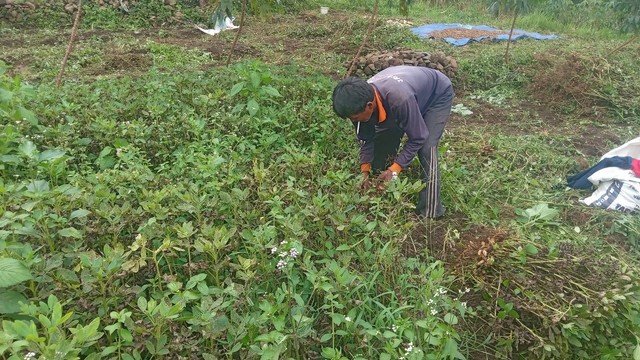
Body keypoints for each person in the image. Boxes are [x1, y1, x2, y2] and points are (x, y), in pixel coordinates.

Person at [332, 65, 454, 218]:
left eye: (355, 119)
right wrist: (365, 171)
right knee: (382, 140)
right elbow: (366, 139)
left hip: (435, 95)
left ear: (369, 106)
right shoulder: (358, 104)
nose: (353, 121)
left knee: (426, 147)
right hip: (406, 93)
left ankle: (431, 211)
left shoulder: (400, 98)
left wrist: (394, 170)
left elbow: (418, 137)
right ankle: (380, 191)